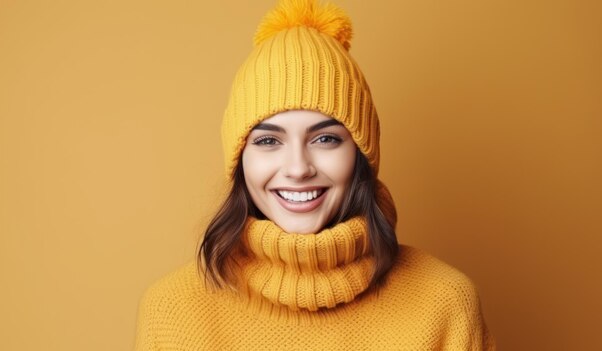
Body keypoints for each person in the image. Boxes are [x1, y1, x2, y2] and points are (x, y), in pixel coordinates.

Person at [134, 0, 495, 349]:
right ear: (240, 158)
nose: (297, 168)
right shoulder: (174, 312)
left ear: (360, 153)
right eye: (268, 140)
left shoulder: (444, 304)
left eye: (325, 138)